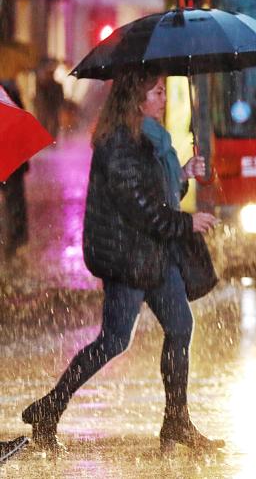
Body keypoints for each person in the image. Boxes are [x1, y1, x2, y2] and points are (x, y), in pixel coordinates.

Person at [21, 73, 222, 456]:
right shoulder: (118, 143)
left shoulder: (152, 140)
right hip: (128, 258)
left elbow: (158, 194)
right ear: (137, 97)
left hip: (156, 254)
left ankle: (176, 419)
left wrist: (181, 176)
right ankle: (49, 408)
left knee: (180, 327)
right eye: (157, 90)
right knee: (113, 341)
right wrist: (185, 222)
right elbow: (141, 208)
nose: (164, 97)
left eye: (164, 90)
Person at [1, 79, 31, 258]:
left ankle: (12, 241)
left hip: (11, 158)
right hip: (12, 158)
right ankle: (13, 241)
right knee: (14, 202)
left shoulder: (8, 90)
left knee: (13, 201)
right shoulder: (10, 91)